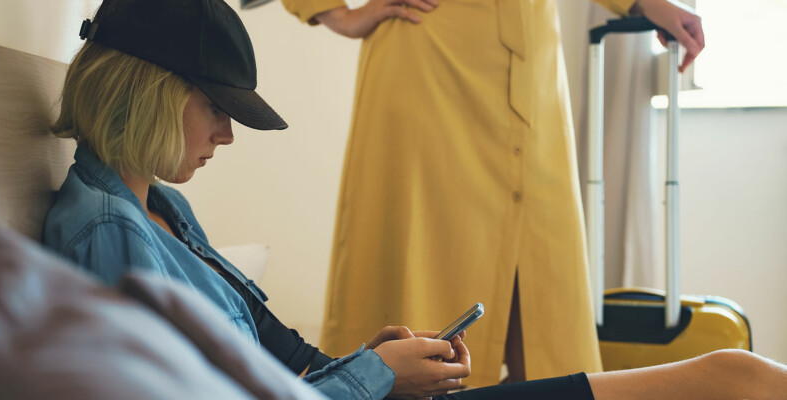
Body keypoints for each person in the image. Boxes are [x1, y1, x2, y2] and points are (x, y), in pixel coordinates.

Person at [42, 0, 787, 399]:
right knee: (738, 379)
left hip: (529, 72)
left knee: (732, 375)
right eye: (217, 109)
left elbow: (257, 368)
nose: (228, 138)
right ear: (150, 95)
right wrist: (373, 378)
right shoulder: (112, 233)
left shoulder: (157, 210)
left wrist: (362, 366)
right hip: (434, 62)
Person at [280, 0, 706, 385]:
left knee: (548, 320)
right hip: (429, 63)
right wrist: (336, 13)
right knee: (426, 287)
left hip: (534, 70)